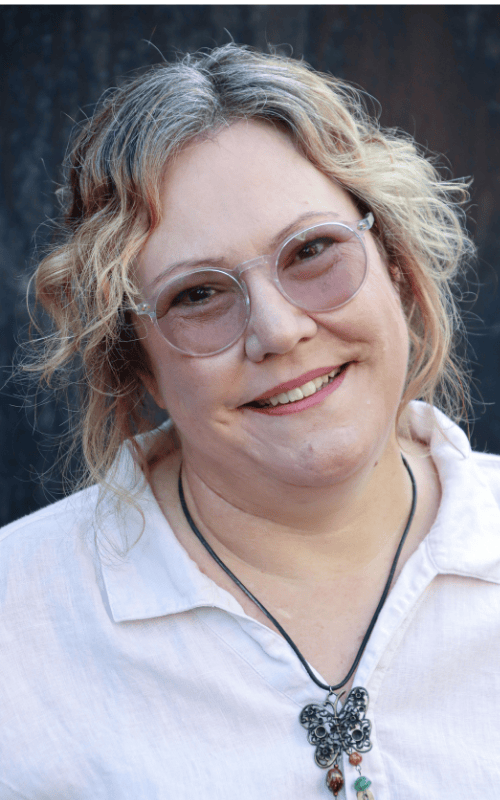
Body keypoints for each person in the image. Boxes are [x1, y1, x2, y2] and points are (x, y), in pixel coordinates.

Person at [2, 43, 499, 800]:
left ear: (396, 265)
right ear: (136, 362)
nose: (278, 330)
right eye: (197, 295)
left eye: (312, 250)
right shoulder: (19, 628)